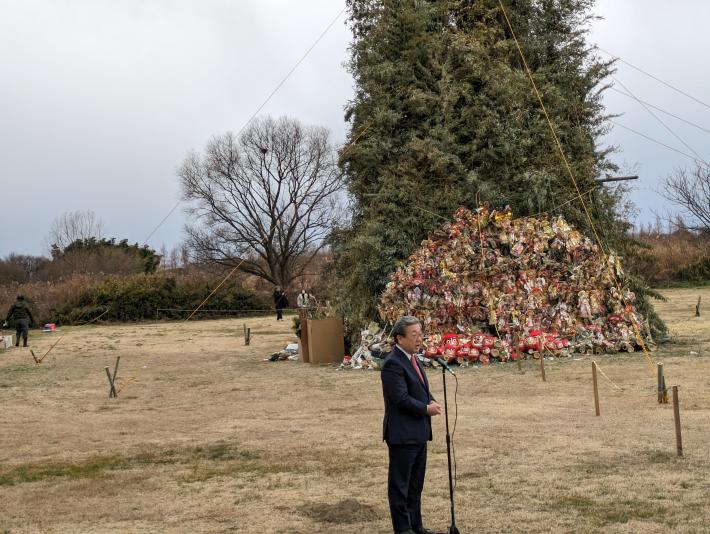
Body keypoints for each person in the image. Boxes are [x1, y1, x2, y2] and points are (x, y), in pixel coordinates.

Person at [381, 316, 441, 534]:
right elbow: (401, 398)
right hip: (402, 434)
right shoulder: (392, 363)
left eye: (420, 333)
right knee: (400, 485)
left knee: (415, 485)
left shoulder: (413, 359)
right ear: (399, 338)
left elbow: (420, 388)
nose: (419, 339)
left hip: (419, 433)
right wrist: (426, 409)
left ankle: (417, 526)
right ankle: (403, 529)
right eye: (413, 335)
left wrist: (430, 398)